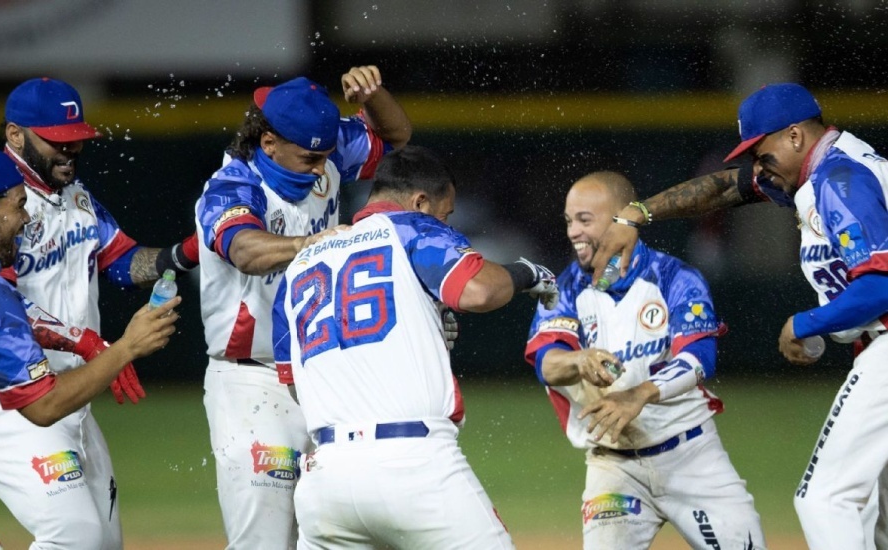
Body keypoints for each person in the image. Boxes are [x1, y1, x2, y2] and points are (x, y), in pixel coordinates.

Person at [590, 83, 888, 549]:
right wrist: (637, 215)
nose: (757, 165)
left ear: (794, 136)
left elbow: (882, 285)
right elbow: (728, 187)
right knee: (876, 511)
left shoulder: (840, 181)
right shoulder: (823, 170)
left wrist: (807, 322)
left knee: (825, 498)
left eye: (761, 151)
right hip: (875, 345)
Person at [270, 145, 557, 549]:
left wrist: (419, 329)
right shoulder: (409, 227)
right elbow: (478, 290)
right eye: (445, 212)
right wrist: (525, 272)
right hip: (413, 466)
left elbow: (297, 383)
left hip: (325, 480)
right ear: (420, 202)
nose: (446, 221)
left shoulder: (299, 266)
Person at [0, 77, 199, 549]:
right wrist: (86, 341)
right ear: (14, 135)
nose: (70, 152)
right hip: (9, 400)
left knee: (103, 544)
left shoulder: (75, 195)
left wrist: (189, 251)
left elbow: (123, 262)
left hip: (71, 396)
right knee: (75, 537)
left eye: (77, 142)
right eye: (57, 142)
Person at [0, 151, 179, 549]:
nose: (27, 218)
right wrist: (126, 347)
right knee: (78, 535)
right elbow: (43, 406)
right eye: (19, 206)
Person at [195, 65, 412, 548]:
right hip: (252, 378)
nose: (322, 168)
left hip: (321, 374)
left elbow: (396, 136)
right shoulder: (231, 185)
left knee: (342, 531)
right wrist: (315, 243)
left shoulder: (323, 150)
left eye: (327, 156)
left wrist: (374, 96)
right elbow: (246, 251)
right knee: (267, 540)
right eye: (310, 157)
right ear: (268, 142)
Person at [525, 171, 765, 549]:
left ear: (621, 217)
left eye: (585, 220)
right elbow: (546, 363)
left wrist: (639, 394)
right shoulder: (565, 289)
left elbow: (700, 358)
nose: (573, 232)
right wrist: (577, 360)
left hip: (692, 457)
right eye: (569, 221)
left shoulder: (675, 278)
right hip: (614, 467)